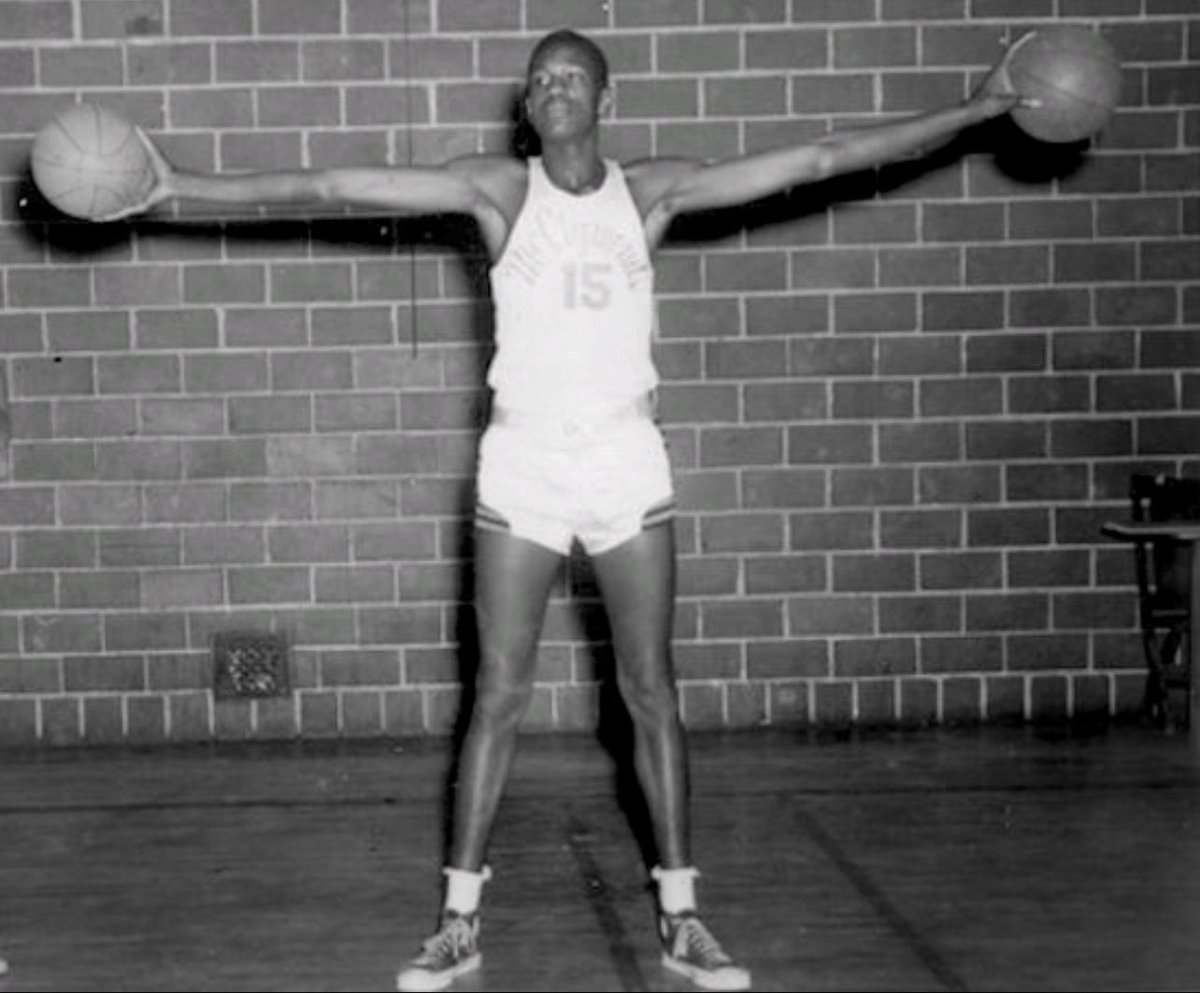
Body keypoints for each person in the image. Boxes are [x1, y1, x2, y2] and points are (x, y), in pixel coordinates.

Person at [110, 26, 1028, 993]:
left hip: (625, 458)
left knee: (650, 691)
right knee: (498, 696)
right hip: (526, 462)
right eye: (540, 80)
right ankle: (458, 922)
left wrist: (974, 112)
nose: (553, 90)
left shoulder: (649, 192)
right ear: (527, 104)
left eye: (572, 77)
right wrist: (181, 189)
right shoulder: (499, 191)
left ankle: (683, 917)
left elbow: (823, 157)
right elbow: (338, 185)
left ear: (604, 96)